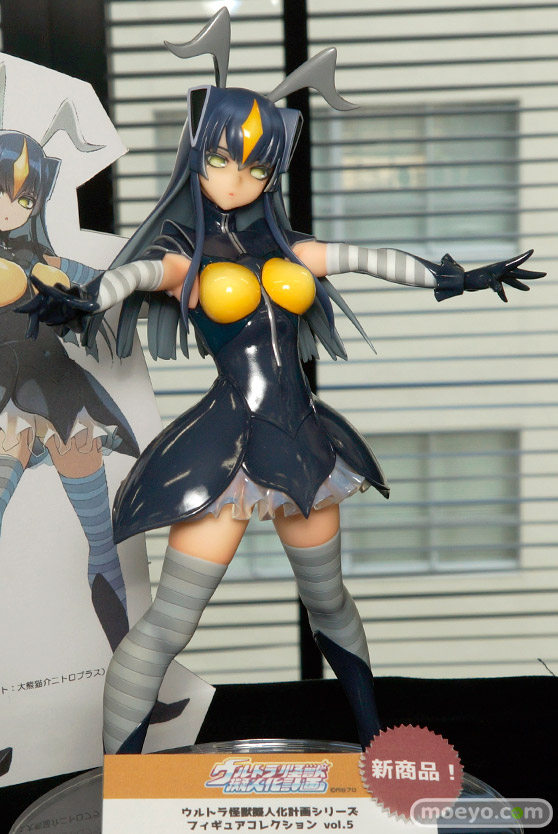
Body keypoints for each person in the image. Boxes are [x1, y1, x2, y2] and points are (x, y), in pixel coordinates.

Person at [21, 9, 544, 754]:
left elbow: (367, 257)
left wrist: (454, 277)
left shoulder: (289, 245)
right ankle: (121, 783)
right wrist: (84, 299)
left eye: (258, 166)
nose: (240, 178)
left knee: (329, 602)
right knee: (169, 624)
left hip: (304, 445)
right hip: (225, 452)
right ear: (196, 154)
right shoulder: (184, 254)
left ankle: (376, 743)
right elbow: (133, 277)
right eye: (224, 159)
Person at [0, 124, 139, 652]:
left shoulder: (46, 261)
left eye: (24, 197)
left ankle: (128, 672)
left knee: (103, 543)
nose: (10, 208)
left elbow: (115, 280)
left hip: (57, 391)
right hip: (5, 401)